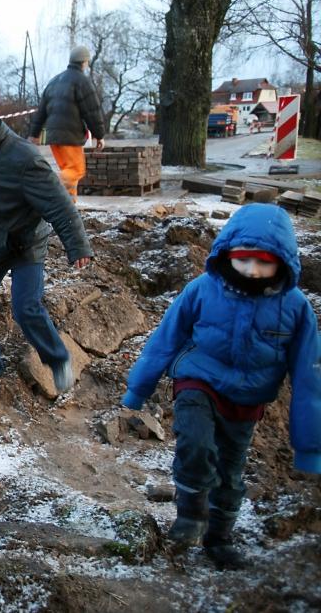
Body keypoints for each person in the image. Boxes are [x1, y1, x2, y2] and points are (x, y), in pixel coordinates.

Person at [121, 203, 321, 570]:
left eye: (264, 263)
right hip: (198, 379)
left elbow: (310, 379)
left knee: (230, 469)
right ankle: (190, 513)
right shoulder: (202, 289)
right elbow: (165, 339)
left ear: (283, 262)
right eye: (244, 260)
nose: (252, 270)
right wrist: (138, 389)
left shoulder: (294, 308)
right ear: (228, 252)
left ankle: (219, 538)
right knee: (195, 442)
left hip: (247, 399)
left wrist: (309, 446)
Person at [0, 104, 92, 396]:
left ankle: (58, 360)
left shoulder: (25, 159)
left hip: (24, 244)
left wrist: (77, 246)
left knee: (26, 308)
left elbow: (59, 204)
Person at [27, 45, 106, 200]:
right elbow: (92, 111)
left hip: (53, 137)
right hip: (70, 135)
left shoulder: (54, 81)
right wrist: (99, 135)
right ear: (84, 62)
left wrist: (34, 134)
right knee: (76, 170)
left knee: (68, 172)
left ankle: (70, 206)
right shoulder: (82, 81)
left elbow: (41, 110)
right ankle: (49, 185)